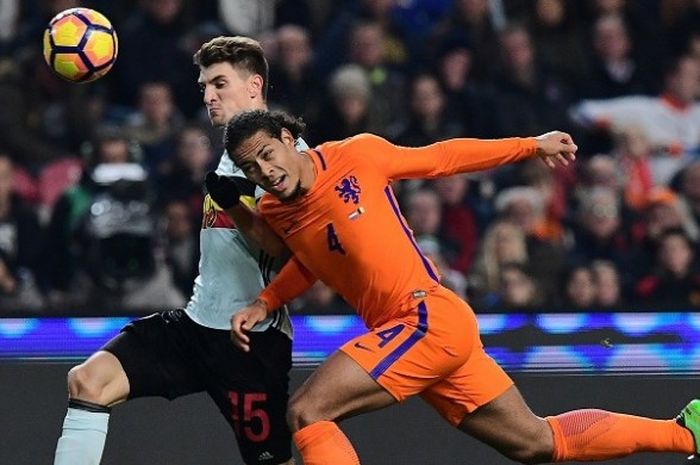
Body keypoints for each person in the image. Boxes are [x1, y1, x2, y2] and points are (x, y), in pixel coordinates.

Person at [213, 109, 700, 465]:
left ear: (286, 136)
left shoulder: (355, 155)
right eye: (251, 169)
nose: (265, 173)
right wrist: (266, 298)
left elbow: (443, 158)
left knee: (306, 412)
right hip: (421, 332)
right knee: (537, 442)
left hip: (424, 319)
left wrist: (531, 144)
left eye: (267, 156)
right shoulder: (276, 210)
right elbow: (314, 256)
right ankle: (686, 434)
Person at [53, 37, 299, 465]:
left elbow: (285, 254)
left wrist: (233, 207)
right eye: (204, 85)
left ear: (255, 85)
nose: (208, 95)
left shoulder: (285, 156)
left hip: (249, 344)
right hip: (195, 325)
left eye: (219, 83)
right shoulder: (228, 155)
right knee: (88, 381)